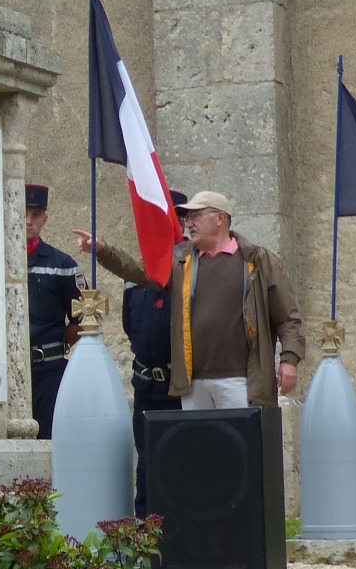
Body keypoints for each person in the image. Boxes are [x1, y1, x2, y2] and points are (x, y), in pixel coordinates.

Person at [75, 189, 305, 410]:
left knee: (243, 448)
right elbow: (140, 272)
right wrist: (104, 250)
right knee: (198, 449)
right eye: (187, 217)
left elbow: (287, 318)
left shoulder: (257, 260)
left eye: (195, 216)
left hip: (242, 382)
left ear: (220, 219)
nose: (188, 223)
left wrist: (289, 359)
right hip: (194, 385)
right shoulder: (181, 261)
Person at [120, 190, 185, 516]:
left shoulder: (191, 270)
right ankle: (145, 527)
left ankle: (180, 526)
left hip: (180, 387)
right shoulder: (137, 276)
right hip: (147, 385)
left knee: (180, 458)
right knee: (146, 459)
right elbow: (131, 327)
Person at [25, 184, 82, 439]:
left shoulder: (63, 265)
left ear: (45, 220)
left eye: (35, 215)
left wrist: (62, 341)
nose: (28, 221)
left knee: (48, 439)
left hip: (48, 370)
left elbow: (82, 314)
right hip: (7, 372)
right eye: (23, 213)